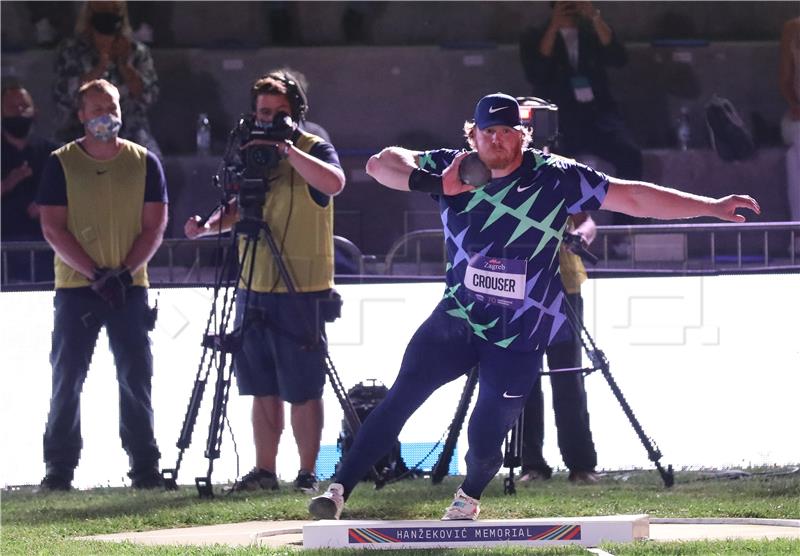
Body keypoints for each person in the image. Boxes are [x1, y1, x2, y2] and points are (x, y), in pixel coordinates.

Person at [309, 92, 759, 521]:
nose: (497, 140)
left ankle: (469, 495)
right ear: (473, 136)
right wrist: (430, 181)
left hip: (520, 335)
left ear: (524, 135)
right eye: (488, 132)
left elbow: (633, 196)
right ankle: (337, 489)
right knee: (399, 399)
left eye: (507, 131)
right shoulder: (453, 167)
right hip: (458, 320)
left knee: (486, 439)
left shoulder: (555, 175)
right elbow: (380, 163)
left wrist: (712, 207)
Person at [184, 69, 346, 494]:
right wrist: (206, 227)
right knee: (261, 386)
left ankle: (308, 472)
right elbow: (241, 205)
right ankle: (264, 470)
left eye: (279, 112)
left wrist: (288, 150)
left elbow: (334, 183)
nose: (269, 119)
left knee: (303, 388)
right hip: (253, 283)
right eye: (263, 112)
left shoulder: (314, 148)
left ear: (296, 114)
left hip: (302, 287)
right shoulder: (248, 150)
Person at [36, 78, 168, 491]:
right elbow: (53, 228)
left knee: (136, 376)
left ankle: (144, 467)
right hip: (77, 288)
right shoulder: (61, 162)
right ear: (81, 115)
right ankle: (59, 469)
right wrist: (95, 273)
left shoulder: (144, 161)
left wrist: (125, 273)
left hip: (130, 285)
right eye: (94, 108)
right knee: (68, 375)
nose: (103, 115)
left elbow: (155, 225)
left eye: (109, 106)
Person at [519, 1, 643, 241]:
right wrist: (555, 26)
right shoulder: (536, 34)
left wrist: (594, 16)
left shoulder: (591, 31)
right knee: (551, 166)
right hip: (560, 118)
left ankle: (622, 234)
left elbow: (619, 58)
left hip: (598, 115)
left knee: (630, 155)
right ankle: (561, 235)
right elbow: (536, 72)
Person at [519, 213, 598, 485]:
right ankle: (531, 465)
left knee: (568, 376)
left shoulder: (562, 172)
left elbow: (587, 221)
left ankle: (581, 464)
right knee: (523, 379)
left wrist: (581, 236)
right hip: (518, 287)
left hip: (564, 284)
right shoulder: (499, 173)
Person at [53, 0, 161, 157]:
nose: (108, 14)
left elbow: (149, 96)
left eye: (114, 9)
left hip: (129, 131)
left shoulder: (137, 52)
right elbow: (63, 97)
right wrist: (101, 65)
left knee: (150, 156)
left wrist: (125, 65)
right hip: (79, 130)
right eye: (102, 8)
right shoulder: (71, 52)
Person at [1, 84, 58, 283]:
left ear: (36, 112)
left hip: (45, 246)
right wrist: (6, 184)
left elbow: (74, 191)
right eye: (11, 107)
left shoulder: (54, 153)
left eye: (24, 106)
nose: (19, 111)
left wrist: (47, 204)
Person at [779, 16, 800, 230]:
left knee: (792, 158)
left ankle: (796, 230)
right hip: (797, 117)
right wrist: (795, 104)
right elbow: (785, 82)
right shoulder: (793, 28)